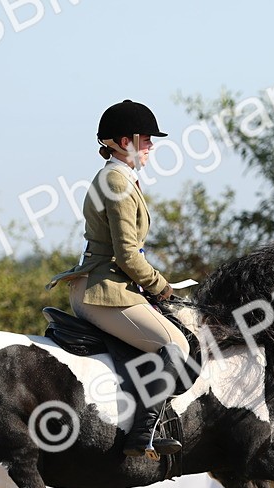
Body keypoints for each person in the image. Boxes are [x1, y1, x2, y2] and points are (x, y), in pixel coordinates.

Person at [46, 100, 193, 458]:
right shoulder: (116, 180)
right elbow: (127, 254)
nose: (151, 146)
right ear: (124, 141)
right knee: (176, 347)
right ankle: (144, 433)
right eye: (146, 140)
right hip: (105, 292)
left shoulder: (123, 178)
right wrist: (163, 288)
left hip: (111, 286)